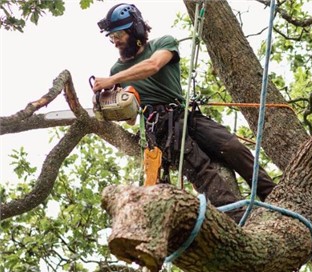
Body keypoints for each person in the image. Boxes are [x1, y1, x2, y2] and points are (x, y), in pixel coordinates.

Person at [92, 3, 276, 223]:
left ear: (135, 30)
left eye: (119, 34)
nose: (115, 41)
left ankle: (273, 195)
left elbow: (153, 66)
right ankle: (238, 219)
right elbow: (132, 119)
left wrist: (113, 80)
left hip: (183, 114)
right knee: (200, 167)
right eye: (111, 36)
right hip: (159, 125)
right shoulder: (117, 70)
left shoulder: (162, 44)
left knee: (232, 146)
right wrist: (117, 105)